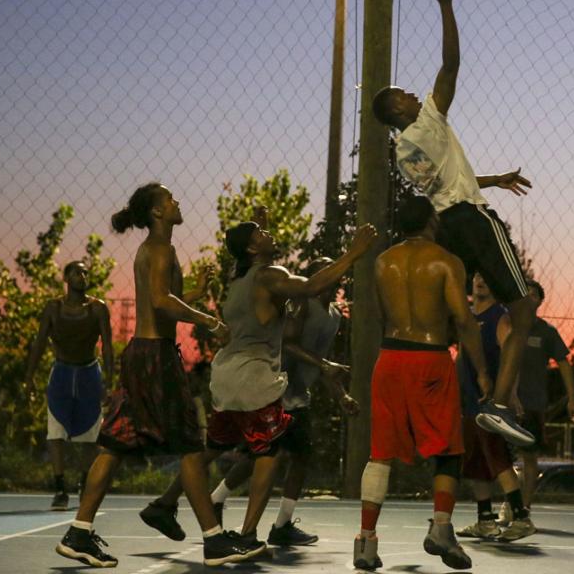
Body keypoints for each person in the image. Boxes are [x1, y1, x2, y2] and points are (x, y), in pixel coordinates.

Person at [56, 182, 262, 568]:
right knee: (189, 446)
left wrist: (195, 293)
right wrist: (208, 321)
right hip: (156, 357)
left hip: (142, 353)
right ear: (156, 212)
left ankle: (79, 532)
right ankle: (214, 540)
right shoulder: (159, 248)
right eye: (169, 199)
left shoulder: (154, 250)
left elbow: (166, 298)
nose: (176, 201)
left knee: (116, 444)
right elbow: (161, 301)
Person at [371, 0, 537, 446]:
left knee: (454, 320)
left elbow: (445, 187)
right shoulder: (425, 117)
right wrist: (446, 5)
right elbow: (451, 63)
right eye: (401, 93)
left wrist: (493, 179)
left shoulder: (404, 151)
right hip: (475, 219)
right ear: (397, 110)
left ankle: (459, 396)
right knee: (523, 307)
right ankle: (501, 403)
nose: (409, 92)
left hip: (450, 226)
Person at [141, 221, 376, 549]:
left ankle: (163, 504)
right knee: (271, 450)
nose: (270, 235)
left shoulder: (240, 278)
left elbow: (258, 270)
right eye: (262, 235)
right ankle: (249, 533)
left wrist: (258, 227)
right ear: (252, 249)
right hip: (253, 377)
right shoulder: (269, 275)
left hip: (227, 377)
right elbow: (309, 286)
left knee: (215, 447)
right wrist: (354, 253)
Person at [353, 195, 492, 571]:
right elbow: (464, 320)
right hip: (429, 358)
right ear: (432, 221)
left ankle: (365, 542)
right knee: (448, 448)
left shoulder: (383, 262)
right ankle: (441, 528)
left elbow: (381, 314)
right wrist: (481, 370)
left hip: (390, 358)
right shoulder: (447, 261)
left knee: (379, 452)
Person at [206, 256, 362, 546]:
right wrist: (325, 364)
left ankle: (276, 522)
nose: (330, 275)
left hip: (298, 393)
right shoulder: (302, 306)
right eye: (321, 271)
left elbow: (320, 364)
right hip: (276, 389)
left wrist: (342, 395)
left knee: (294, 455)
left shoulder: (334, 316)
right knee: (266, 455)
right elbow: (287, 343)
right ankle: (225, 506)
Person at [23, 260, 114, 510]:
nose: (82, 276)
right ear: (66, 278)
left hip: (88, 373)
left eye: (86, 272)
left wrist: (111, 379)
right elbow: (40, 342)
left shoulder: (97, 308)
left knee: (91, 434)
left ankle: (84, 484)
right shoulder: (53, 308)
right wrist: (28, 377)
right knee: (56, 432)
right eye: (77, 272)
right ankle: (60, 487)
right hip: (61, 372)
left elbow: (106, 345)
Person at [455, 273, 535, 542]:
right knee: (475, 463)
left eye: (486, 278)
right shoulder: (466, 316)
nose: (481, 280)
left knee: (498, 460)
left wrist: (510, 395)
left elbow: (513, 359)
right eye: (477, 276)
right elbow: (461, 356)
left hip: (489, 404)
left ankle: (522, 519)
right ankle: (485, 521)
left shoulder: (499, 317)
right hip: (468, 400)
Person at [514, 279, 574, 514]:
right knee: (500, 458)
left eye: (534, 294)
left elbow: (564, 363)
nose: (529, 298)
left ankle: (524, 506)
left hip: (532, 404)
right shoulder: (507, 325)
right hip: (505, 402)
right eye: (525, 293)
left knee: (529, 457)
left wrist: (572, 399)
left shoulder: (546, 332)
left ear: (540, 301)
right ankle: (507, 503)